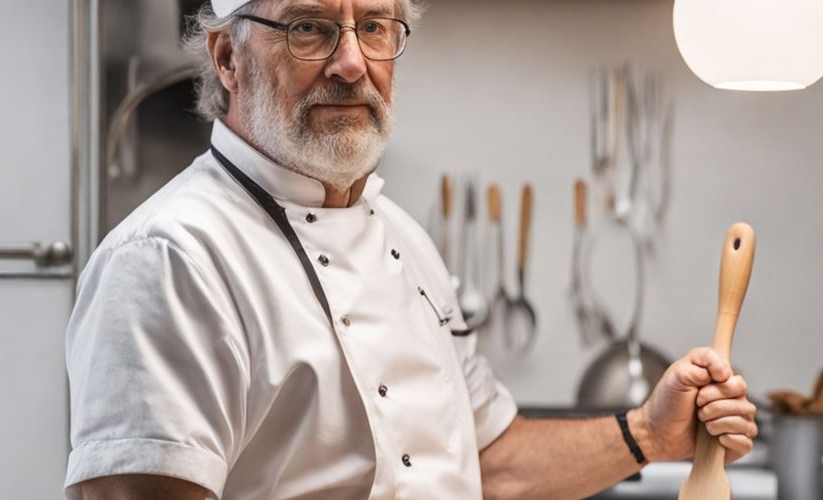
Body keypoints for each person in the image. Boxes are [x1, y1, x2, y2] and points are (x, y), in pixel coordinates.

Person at [64, 0, 758, 498]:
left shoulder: (404, 237)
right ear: (227, 58)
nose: (350, 62)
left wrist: (649, 433)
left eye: (374, 26)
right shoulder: (170, 260)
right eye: (309, 28)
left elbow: (493, 464)